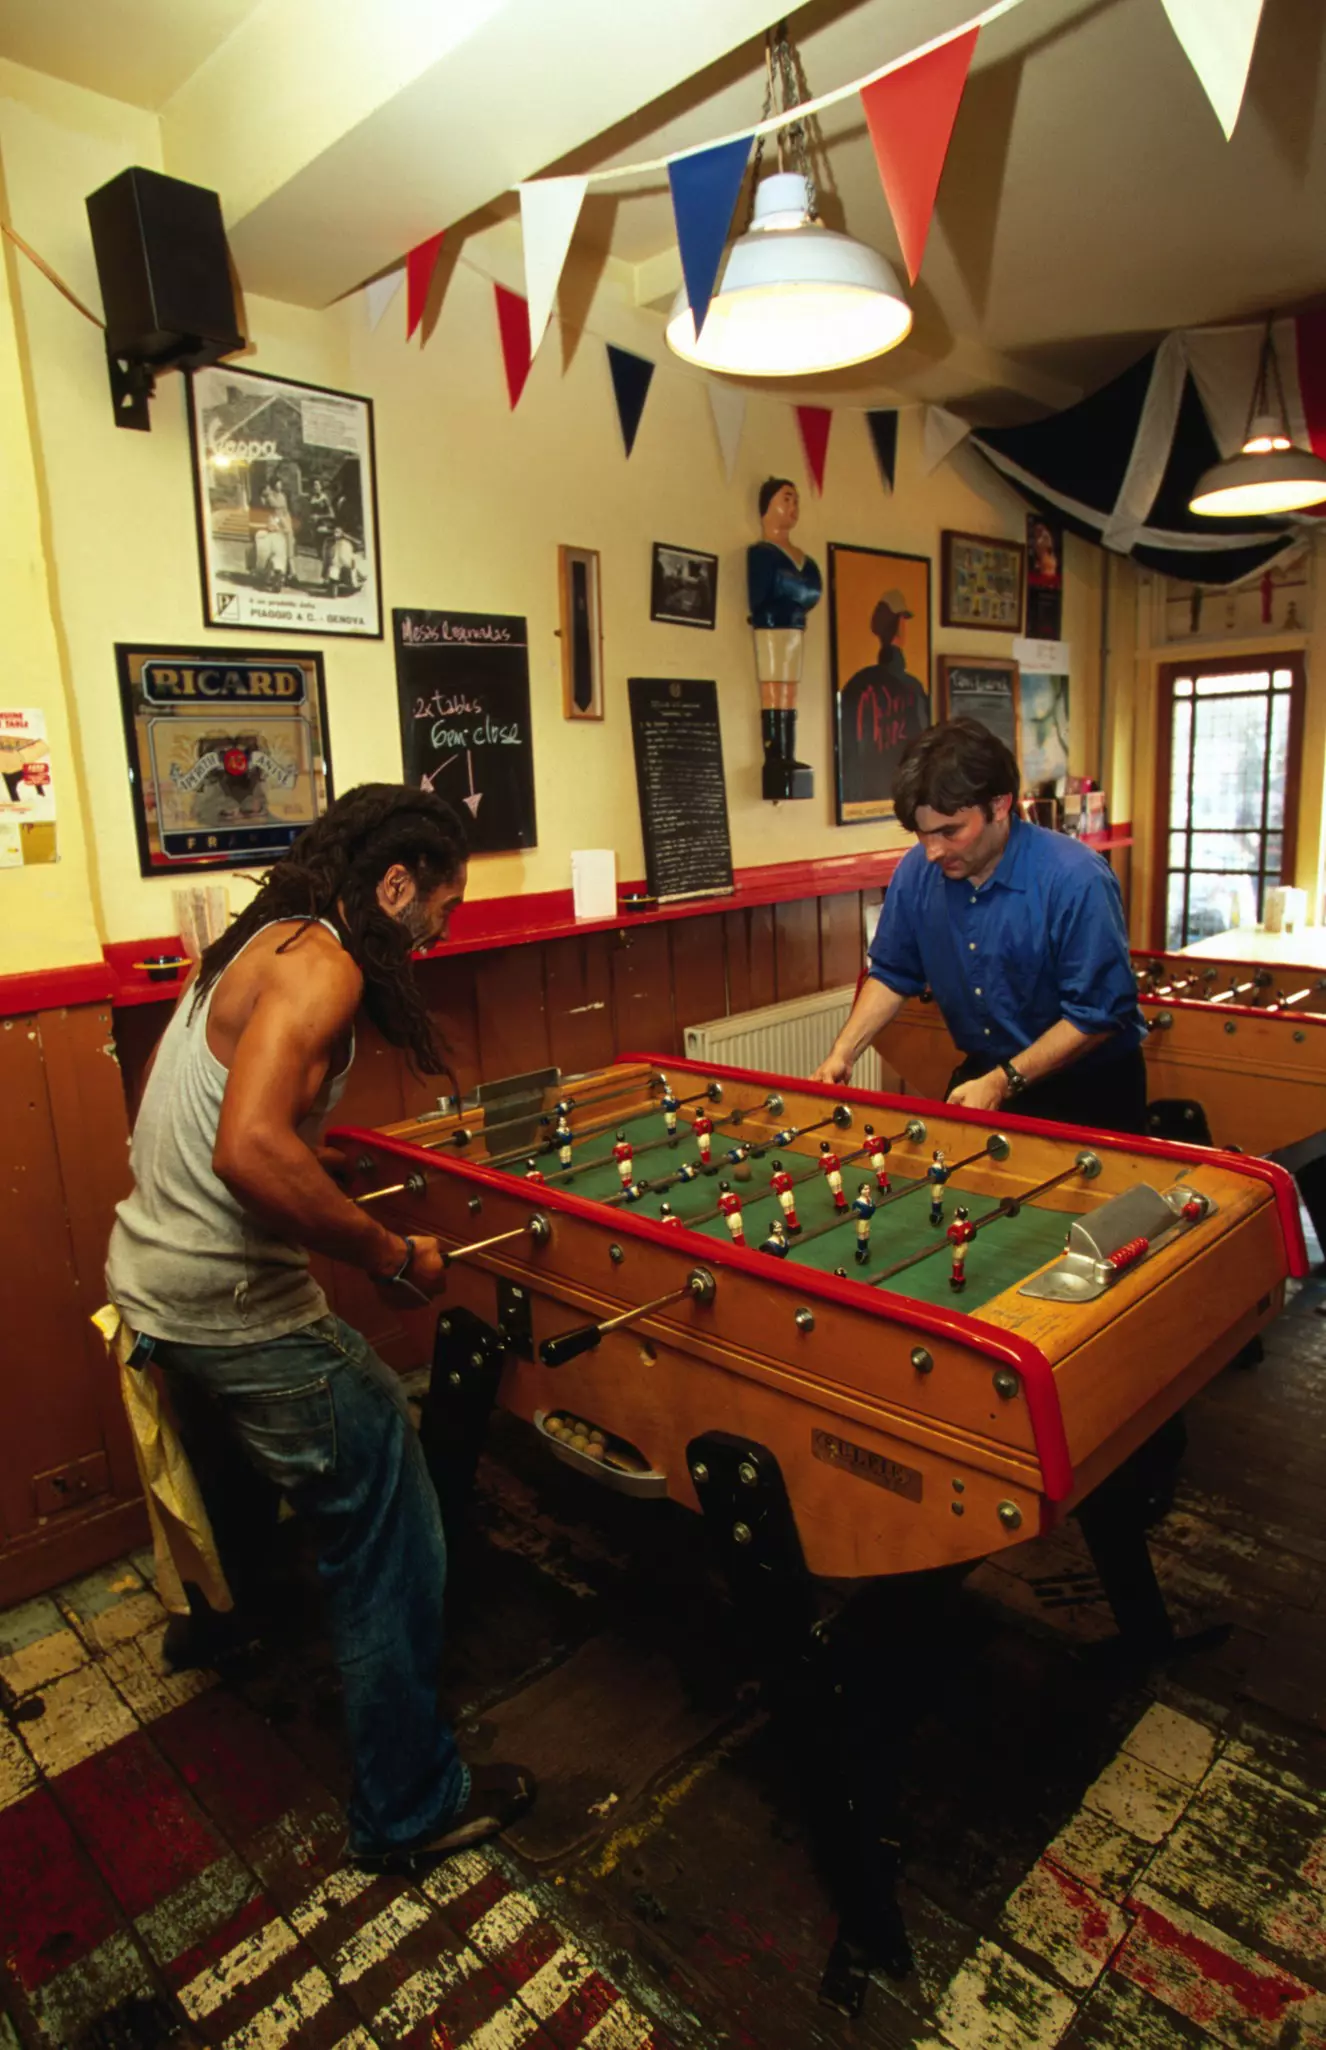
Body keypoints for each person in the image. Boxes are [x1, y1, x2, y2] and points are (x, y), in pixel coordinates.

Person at [105, 784, 534, 1874]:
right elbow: (247, 1152)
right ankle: (409, 1805)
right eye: (443, 903)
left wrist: (322, 1163)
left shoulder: (260, 938)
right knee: (386, 1500)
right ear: (395, 885)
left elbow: (190, 1103)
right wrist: (390, 1256)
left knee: (238, 1475)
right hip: (228, 1301)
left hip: (151, 1284)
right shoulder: (328, 965)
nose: (443, 929)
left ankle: (228, 1623)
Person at [812, 719, 1148, 1132]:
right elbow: (893, 973)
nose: (932, 851)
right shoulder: (917, 871)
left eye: (950, 831)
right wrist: (843, 1053)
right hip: (988, 1074)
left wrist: (1003, 1081)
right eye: (922, 833)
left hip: (1089, 1090)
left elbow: (1096, 1016)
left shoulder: (1076, 878)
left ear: (1000, 805)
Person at [747, 476, 822, 800]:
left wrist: (790, 592)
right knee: (773, 687)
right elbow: (763, 595)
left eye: (796, 501)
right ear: (767, 506)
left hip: (794, 629)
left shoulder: (805, 559)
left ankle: (787, 753)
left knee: (790, 690)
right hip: (771, 628)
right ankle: (775, 754)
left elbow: (812, 591)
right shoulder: (762, 554)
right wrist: (795, 593)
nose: (792, 507)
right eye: (786, 499)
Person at [836, 590, 929, 810]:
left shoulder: (855, 685)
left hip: (861, 803)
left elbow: (848, 754)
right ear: (899, 623)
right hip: (904, 802)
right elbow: (925, 753)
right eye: (904, 620)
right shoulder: (912, 688)